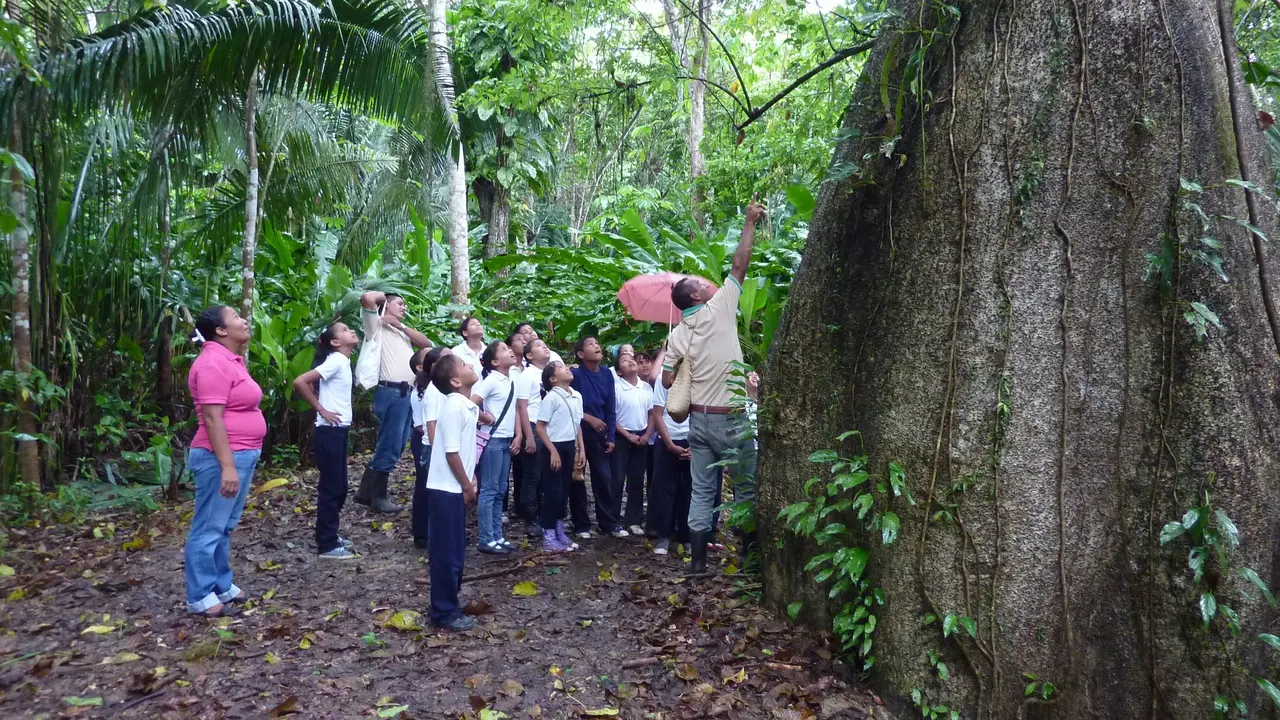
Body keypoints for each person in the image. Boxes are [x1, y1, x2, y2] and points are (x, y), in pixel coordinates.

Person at [662, 197, 766, 573]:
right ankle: (749, 557)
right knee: (746, 488)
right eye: (701, 285)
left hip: (699, 423)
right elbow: (740, 264)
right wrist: (749, 221)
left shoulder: (676, 335)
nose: (709, 285)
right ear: (695, 297)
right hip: (732, 418)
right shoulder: (719, 307)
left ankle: (697, 566)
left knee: (703, 491)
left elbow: (667, 380)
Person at [183, 305, 266, 617]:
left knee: (224, 526)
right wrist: (227, 465)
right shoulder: (212, 363)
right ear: (220, 330)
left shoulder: (231, 360)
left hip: (242, 453)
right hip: (220, 458)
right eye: (235, 317)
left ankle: (221, 584)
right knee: (209, 527)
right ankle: (200, 595)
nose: (243, 320)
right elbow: (212, 417)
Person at [357, 290, 431, 513]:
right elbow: (367, 299)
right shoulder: (375, 324)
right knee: (390, 444)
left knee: (396, 445)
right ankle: (378, 497)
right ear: (386, 305)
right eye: (399, 303)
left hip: (406, 393)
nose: (404, 306)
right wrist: (386, 295)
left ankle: (365, 492)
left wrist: (400, 325)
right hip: (391, 391)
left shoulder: (401, 332)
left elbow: (426, 345)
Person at [292, 321, 360, 560]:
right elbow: (300, 381)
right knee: (332, 488)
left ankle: (330, 535)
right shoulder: (336, 360)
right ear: (334, 343)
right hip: (330, 431)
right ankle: (327, 544)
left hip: (337, 429)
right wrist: (321, 409)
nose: (351, 331)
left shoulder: (342, 361)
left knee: (339, 486)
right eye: (344, 330)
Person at [425, 355, 481, 632]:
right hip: (446, 489)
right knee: (447, 553)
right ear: (456, 381)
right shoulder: (454, 408)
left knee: (456, 550)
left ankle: (448, 604)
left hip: (454, 487)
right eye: (464, 365)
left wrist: (470, 478)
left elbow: (463, 451)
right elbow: (451, 453)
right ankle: (444, 611)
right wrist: (467, 485)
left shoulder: (464, 406)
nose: (471, 365)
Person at [471, 341, 526, 554]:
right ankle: (486, 538)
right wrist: (486, 417)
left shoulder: (510, 379)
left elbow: (514, 410)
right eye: (504, 350)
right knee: (490, 490)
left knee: (501, 490)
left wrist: (518, 435)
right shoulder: (492, 380)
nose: (510, 351)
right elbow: (470, 403)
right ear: (494, 362)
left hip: (505, 440)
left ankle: (497, 535)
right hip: (492, 441)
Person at [571, 336, 627, 538]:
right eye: (590, 344)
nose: (597, 346)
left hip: (600, 435)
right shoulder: (575, 374)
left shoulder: (606, 374)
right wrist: (589, 419)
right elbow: (569, 403)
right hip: (579, 434)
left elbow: (610, 407)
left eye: (597, 343)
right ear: (580, 354)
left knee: (604, 478)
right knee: (577, 478)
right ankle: (581, 525)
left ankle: (608, 522)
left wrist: (611, 436)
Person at [534, 361, 586, 553]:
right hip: (553, 447)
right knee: (553, 491)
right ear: (553, 379)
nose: (567, 369)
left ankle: (559, 530)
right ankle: (548, 535)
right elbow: (540, 426)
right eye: (561, 368)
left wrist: (581, 448)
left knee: (564, 490)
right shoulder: (551, 398)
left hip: (569, 446)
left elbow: (577, 423)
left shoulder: (577, 396)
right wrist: (553, 451)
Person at [649, 350, 691, 556]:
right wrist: (669, 445)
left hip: (691, 442)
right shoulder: (663, 383)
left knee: (688, 490)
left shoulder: (698, 383)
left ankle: (685, 536)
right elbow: (657, 414)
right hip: (668, 439)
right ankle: (663, 535)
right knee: (665, 489)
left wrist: (696, 444)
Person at [410, 347, 450, 550]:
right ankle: (423, 533)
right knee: (427, 490)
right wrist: (437, 452)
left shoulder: (441, 388)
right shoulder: (433, 390)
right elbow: (430, 423)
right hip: (432, 446)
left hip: (438, 445)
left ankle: (432, 532)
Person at [613, 354, 653, 536]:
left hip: (642, 436)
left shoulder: (646, 388)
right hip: (622, 437)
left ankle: (633, 520)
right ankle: (612, 519)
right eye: (624, 361)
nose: (630, 361)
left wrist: (647, 434)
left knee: (637, 480)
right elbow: (611, 416)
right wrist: (627, 435)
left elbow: (652, 413)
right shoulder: (616, 388)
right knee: (617, 479)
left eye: (632, 359)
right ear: (619, 372)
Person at [517, 338, 553, 538]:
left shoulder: (550, 373)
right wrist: (528, 436)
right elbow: (521, 406)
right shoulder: (527, 375)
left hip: (551, 429)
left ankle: (545, 515)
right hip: (533, 425)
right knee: (532, 476)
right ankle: (531, 519)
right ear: (529, 356)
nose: (544, 347)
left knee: (547, 475)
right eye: (538, 346)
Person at [505, 333, 533, 524]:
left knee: (525, 466)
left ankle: (522, 505)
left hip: (529, 421)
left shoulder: (529, 369)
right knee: (508, 464)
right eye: (518, 340)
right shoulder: (508, 370)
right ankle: (503, 507)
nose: (523, 341)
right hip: (511, 422)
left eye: (525, 340)